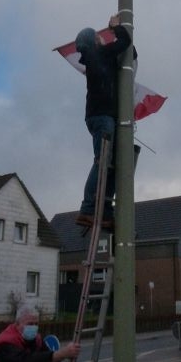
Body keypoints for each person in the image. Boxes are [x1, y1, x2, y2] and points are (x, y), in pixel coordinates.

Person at [75, 13, 133, 229]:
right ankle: (88, 209)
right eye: (98, 36)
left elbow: (129, 50)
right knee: (102, 162)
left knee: (109, 164)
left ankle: (105, 212)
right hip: (102, 117)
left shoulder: (99, 58)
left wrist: (117, 33)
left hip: (100, 117)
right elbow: (124, 42)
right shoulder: (98, 53)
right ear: (93, 42)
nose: (102, 37)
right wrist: (115, 27)